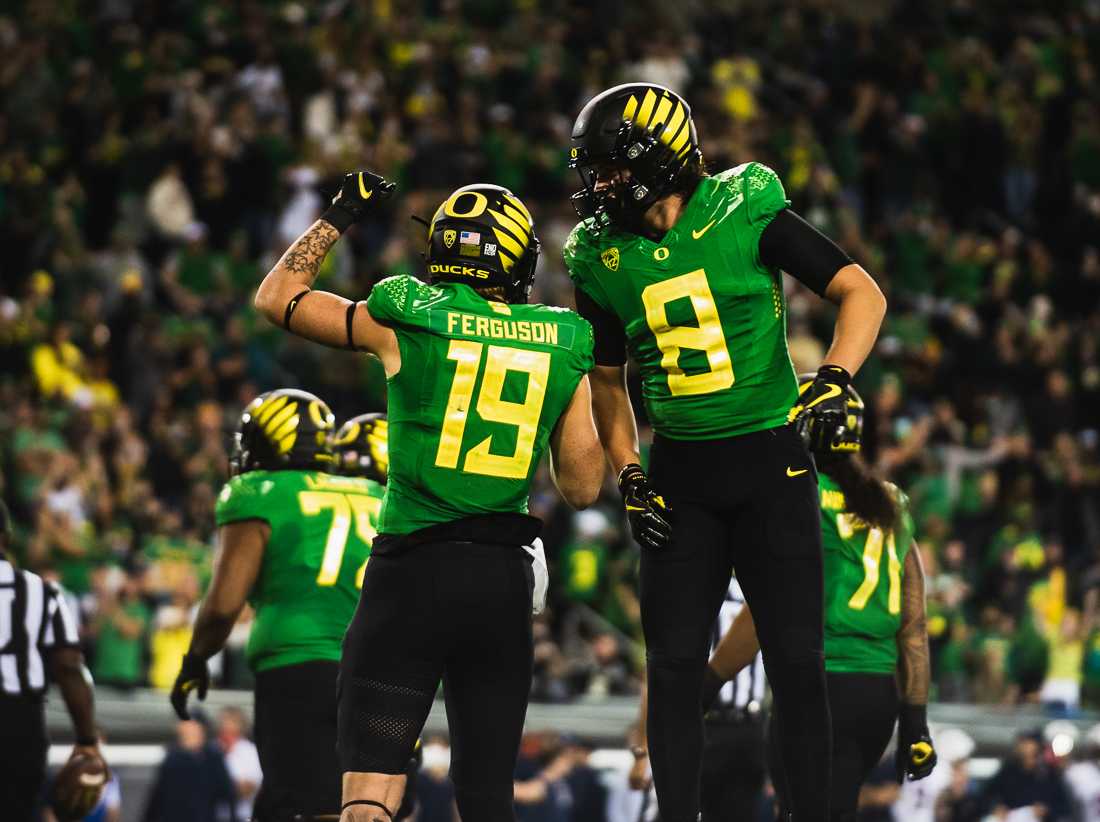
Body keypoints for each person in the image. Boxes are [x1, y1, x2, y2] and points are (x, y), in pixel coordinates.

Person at [563, 82, 887, 821]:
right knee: (674, 670)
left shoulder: (744, 204)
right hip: (680, 472)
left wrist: (834, 375)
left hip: (771, 462)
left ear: (657, 159)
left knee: (799, 664)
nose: (599, 184)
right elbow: (609, 385)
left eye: (610, 168)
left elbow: (859, 290)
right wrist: (630, 471)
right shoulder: (598, 253)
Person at [254, 173, 603, 822]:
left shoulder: (408, 311)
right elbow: (582, 488)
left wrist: (339, 216)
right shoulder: (563, 338)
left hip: (409, 577)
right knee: (485, 802)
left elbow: (278, 298)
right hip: (499, 583)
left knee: (367, 798)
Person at [704, 380, 937, 821]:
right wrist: (915, 719)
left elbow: (765, 610)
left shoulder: (798, 496)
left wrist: (709, 682)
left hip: (817, 688)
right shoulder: (892, 501)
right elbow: (915, 624)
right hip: (876, 695)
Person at [169, 389, 386, 820]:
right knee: (362, 804)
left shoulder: (260, 491)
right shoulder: (377, 494)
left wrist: (195, 658)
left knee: (317, 807)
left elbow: (222, 606)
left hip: (301, 667)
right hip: (381, 673)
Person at [0, 499, 108, 821]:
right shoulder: (40, 591)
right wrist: (87, 740)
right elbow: (68, 667)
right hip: (17, 726)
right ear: (6, 537)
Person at [630, 576, 768, 822]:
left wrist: (642, 750)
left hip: (718, 725)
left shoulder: (690, 584)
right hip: (729, 726)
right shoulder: (763, 584)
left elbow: (657, 675)